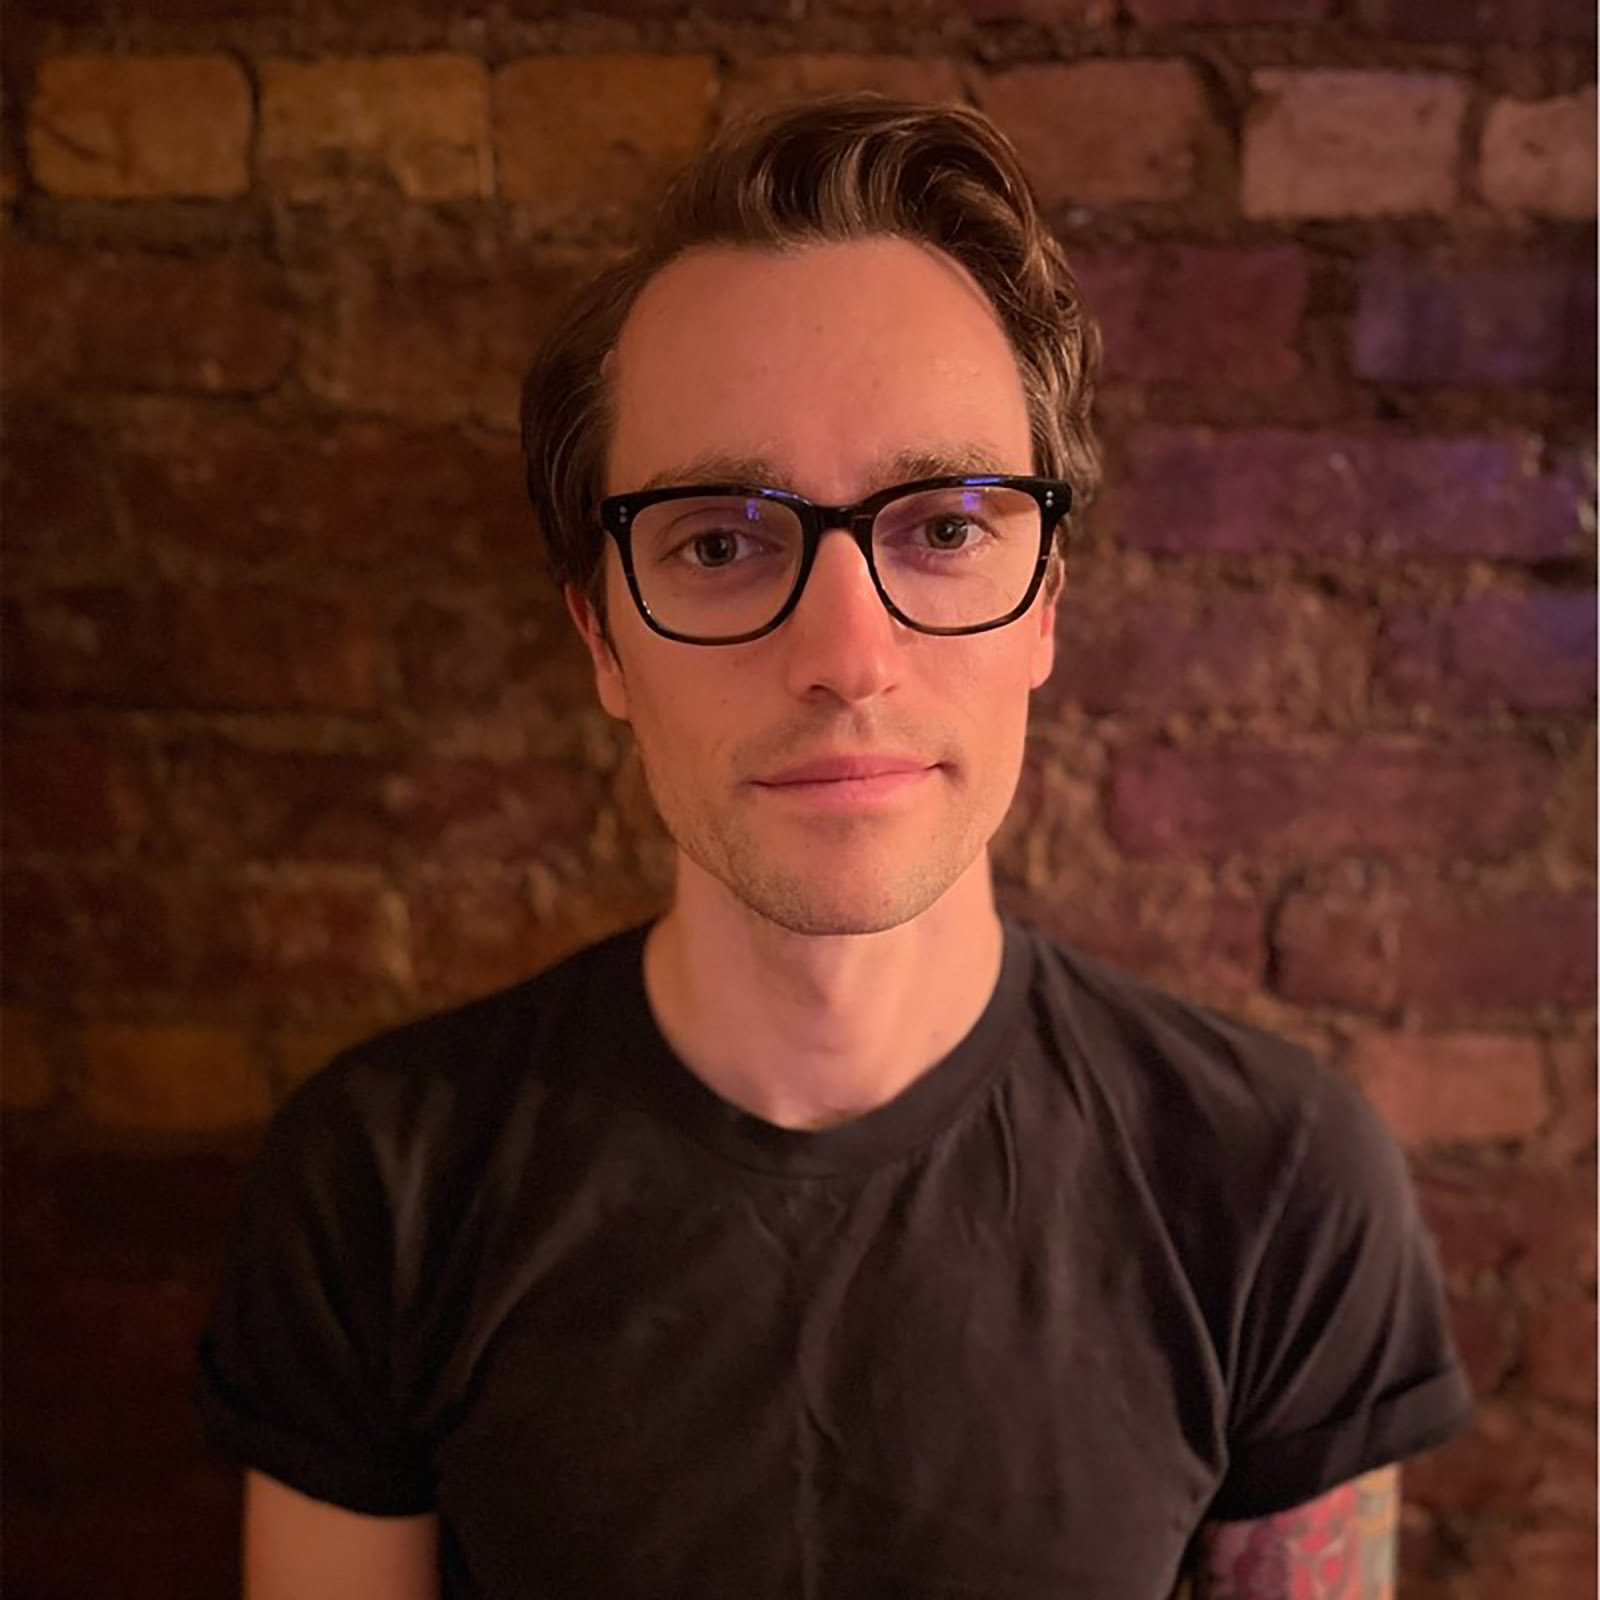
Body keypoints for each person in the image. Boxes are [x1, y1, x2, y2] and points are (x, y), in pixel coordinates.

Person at [197, 97, 1473, 1599]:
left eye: (944, 527)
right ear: (603, 635)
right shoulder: (383, 1185)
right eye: (722, 541)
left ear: (1046, 601)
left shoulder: (1272, 1188)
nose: (848, 653)